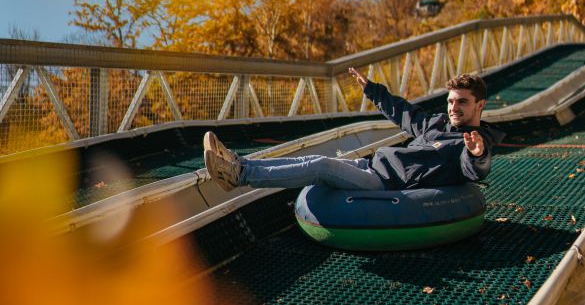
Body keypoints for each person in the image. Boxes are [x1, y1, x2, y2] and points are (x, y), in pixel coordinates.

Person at [203, 67, 505, 192]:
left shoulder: (472, 142)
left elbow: (473, 169)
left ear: (479, 105)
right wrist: (372, 90)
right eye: (451, 101)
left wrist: (478, 155)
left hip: (384, 182)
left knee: (320, 166)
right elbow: (404, 113)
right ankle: (239, 164)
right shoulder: (437, 123)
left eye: (462, 102)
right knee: (310, 160)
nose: (453, 107)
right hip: (374, 165)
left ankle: (240, 176)